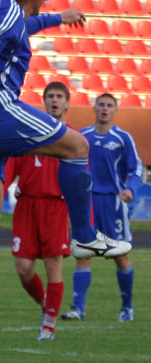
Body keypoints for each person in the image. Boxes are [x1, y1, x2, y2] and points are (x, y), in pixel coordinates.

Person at [0, 0, 132, 350]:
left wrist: (57, 18)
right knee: (78, 145)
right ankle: (84, 235)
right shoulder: (8, 13)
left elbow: (18, 27)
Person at [61, 93, 143, 324]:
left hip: (113, 203)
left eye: (109, 105)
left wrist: (131, 189)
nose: (105, 109)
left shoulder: (122, 138)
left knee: (121, 256)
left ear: (115, 110)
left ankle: (127, 308)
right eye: (102, 105)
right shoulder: (83, 136)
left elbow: (136, 168)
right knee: (84, 251)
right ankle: (78, 309)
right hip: (86, 203)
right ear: (94, 108)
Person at [5, 81, 73, 341]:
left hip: (55, 207)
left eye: (59, 96)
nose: (54, 100)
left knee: (53, 267)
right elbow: (11, 168)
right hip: (26, 206)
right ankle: (46, 303)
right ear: (44, 102)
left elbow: (81, 179)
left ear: (67, 103)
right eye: (50, 96)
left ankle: (49, 327)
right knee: (23, 268)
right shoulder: (28, 132)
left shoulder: (72, 137)